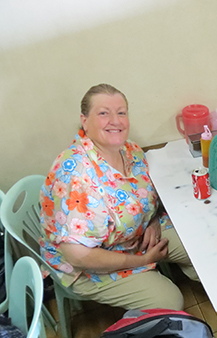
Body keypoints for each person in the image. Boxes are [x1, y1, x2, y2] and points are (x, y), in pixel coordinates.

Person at [39, 84, 196, 311]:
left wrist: (151, 221)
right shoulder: (77, 176)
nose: (116, 121)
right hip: (88, 265)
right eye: (104, 113)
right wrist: (141, 261)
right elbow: (78, 256)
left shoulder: (130, 150)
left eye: (121, 112)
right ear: (84, 121)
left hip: (134, 235)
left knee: (199, 247)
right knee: (169, 302)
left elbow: (149, 195)